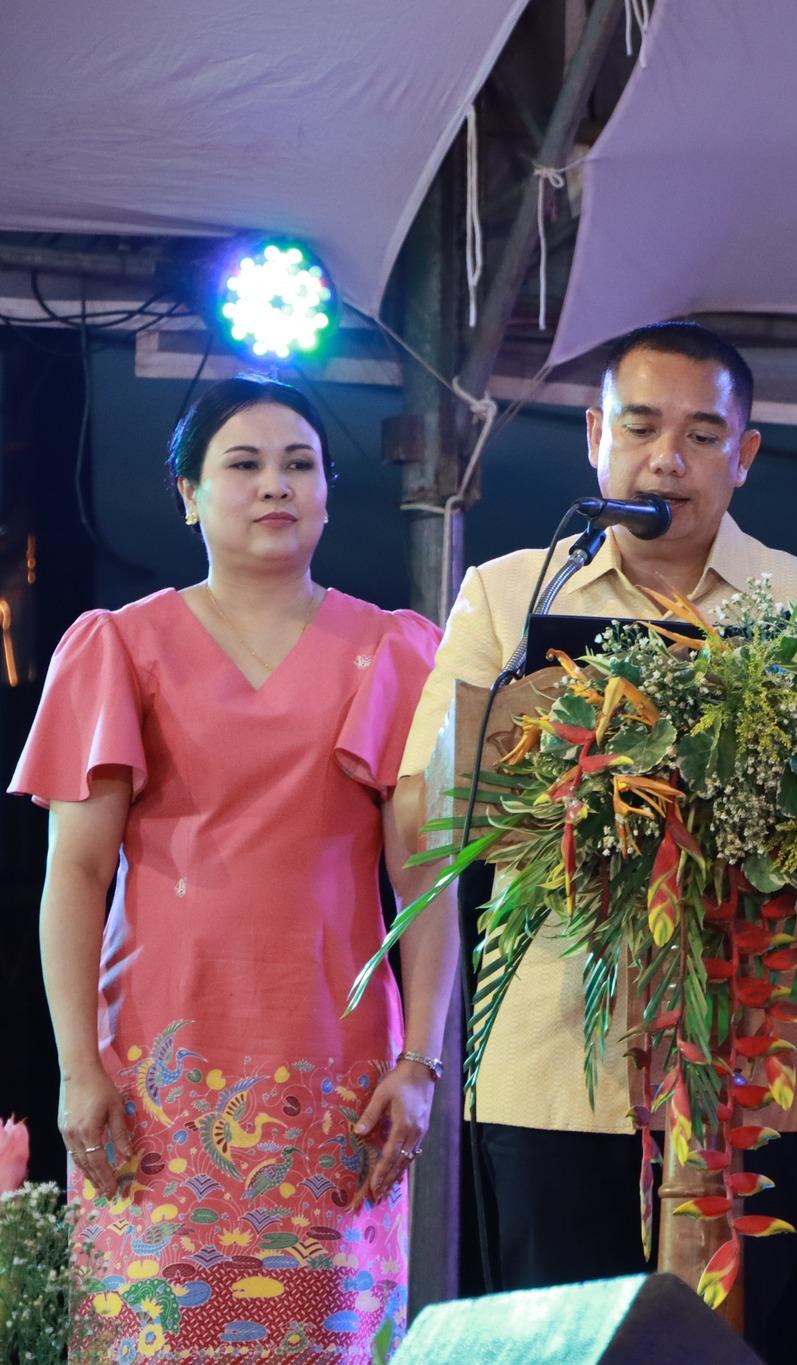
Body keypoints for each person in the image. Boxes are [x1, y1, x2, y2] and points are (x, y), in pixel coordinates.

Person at [395, 320, 797, 1359]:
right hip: (555, 1059)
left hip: (751, 1071)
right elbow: (423, 810)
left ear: (745, 454)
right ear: (593, 436)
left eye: (703, 435)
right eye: (642, 427)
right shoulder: (512, 596)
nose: (668, 459)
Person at [11, 375, 455, 1359]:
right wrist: (78, 1067)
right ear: (188, 493)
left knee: (318, 1338)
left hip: (338, 1064)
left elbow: (425, 884)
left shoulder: (393, 651)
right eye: (244, 464)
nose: (275, 485)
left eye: (299, 465)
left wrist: (421, 1064)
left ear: (329, 491)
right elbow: (74, 875)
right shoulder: (121, 647)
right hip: (152, 1070)